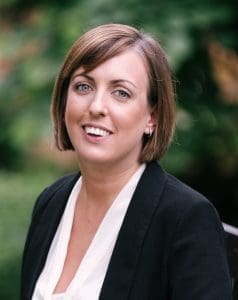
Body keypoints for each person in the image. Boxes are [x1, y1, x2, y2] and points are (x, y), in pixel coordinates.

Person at [21, 23, 232, 300]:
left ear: (152, 117)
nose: (96, 106)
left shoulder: (186, 219)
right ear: (64, 100)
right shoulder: (51, 202)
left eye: (121, 93)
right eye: (83, 86)